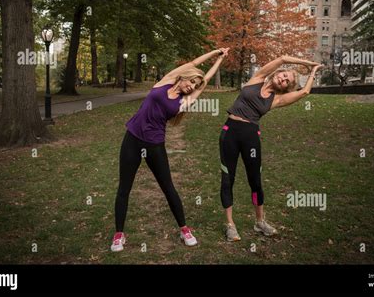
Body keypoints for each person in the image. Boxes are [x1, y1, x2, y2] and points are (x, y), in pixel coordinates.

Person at [111, 48, 230, 252]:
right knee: (124, 188)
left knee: (168, 187)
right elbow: (193, 62)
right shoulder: (166, 80)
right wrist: (216, 52)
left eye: (194, 85)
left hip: (155, 145)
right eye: (191, 81)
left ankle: (184, 229)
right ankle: (119, 234)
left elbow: (206, 79)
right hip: (132, 139)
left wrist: (220, 62)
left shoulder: (185, 100)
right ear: (184, 77)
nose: (191, 86)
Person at [219, 55, 324, 241]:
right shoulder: (257, 78)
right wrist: (308, 64)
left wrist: (313, 72)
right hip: (230, 133)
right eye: (284, 75)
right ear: (278, 72)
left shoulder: (276, 100)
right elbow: (283, 58)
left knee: (255, 180)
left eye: (287, 82)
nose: (283, 79)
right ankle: (230, 225)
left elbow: (304, 92)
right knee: (228, 178)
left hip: (250, 137)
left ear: (286, 87)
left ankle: (260, 222)